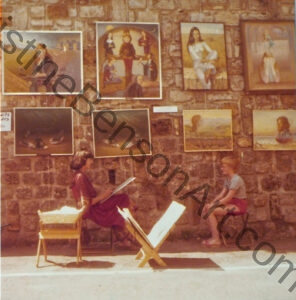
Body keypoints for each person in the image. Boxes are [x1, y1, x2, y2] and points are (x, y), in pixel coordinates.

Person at [70, 150, 135, 247]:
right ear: (83, 160)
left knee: (123, 199)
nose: (92, 162)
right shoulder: (80, 177)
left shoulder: (80, 175)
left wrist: (106, 195)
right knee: (123, 206)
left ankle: (124, 237)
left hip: (95, 206)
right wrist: (104, 196)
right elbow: (86, 203)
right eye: (90, 160)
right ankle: (127, 237)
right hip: (92, 210)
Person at [202, 156, 247, 247]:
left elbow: (228, 198)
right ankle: (215, 237)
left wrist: (213, 206)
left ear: (230, 167)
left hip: (239, 205)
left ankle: (216, 240)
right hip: (232, 203)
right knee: (207, 209)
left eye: (224, 166)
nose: (221, 168)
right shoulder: (228, 179)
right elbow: (222, 194)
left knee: (211, 211)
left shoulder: (236, 179)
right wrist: (211, 203)